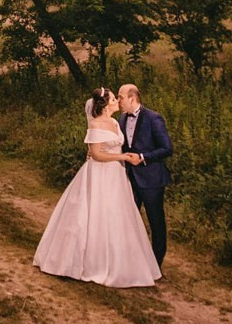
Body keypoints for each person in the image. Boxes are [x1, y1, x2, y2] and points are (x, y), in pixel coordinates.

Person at [32, 86, 160, 288]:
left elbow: (119, 144)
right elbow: (98, 154)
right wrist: (122, 157)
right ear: (105, 104)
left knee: (118, 217)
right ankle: (88, 262)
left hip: (116, 176)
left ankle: (123, 262)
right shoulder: (95, 124)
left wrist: (127, 157)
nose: (117, 101)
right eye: (113, 100)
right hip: (99, 174)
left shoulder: (116, 123)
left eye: (118, 99)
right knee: (94, 215)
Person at [117, 82, 171, 268]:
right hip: (130, 178)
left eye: (121, 97)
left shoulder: (153, 118)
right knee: (129, 220)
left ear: (132, 98)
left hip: (152, 179)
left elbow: (167, 148)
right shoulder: (122, 119)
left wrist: (142, 157)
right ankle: (131, 260)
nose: (118, 101)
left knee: (155, 220)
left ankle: (156, 264)